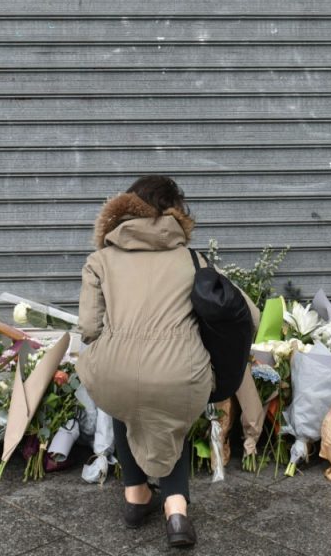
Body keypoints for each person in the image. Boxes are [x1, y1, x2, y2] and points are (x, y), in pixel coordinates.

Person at [77, 176, 251, 548]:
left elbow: (89, 328)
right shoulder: (193, 259)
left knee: (126, 401)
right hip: (179, 372)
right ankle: (176, 512)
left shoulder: (100, 260)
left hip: (114, 372)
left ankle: (135, 498)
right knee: (171, 408)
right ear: (175, 211)